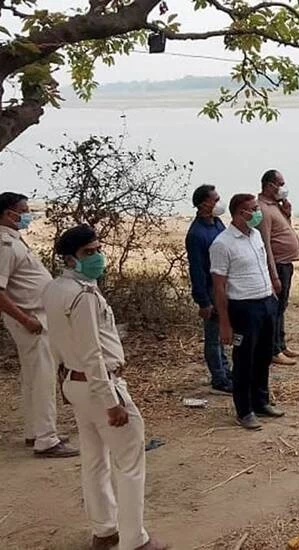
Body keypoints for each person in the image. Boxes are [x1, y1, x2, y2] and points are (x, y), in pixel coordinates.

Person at [43, 224, 167, 550]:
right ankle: (134, 540)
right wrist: (112, 401)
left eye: (98, 250)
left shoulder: (55, 289)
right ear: (70, 259)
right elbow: (92, 353)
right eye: (88, 252)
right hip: (100, 385)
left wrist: (66, 380)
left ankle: (104, 530)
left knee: (95, 459)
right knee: (129, 462)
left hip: (75, 382)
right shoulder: (82, 296)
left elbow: (57, 341)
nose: (97, 257)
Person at [0, 192, 78, 458]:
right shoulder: (5, 245)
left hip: (36, 316)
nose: (27, 215)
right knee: (43, 377)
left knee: (34, 376)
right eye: (23, 210)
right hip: (30, 318)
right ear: (9, 213)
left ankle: (35, 431)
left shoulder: (13, 240)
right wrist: (25, 319)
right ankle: (47, 439)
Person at [210, 194, 284, 430]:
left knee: (263, 356)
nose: (258, 212)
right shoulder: (222, 244)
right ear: (241, 213)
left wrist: (271, 290)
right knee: (244, 360)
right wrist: (224, 323)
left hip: (265, 302)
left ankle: (261, 401)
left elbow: (262, 265)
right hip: (243, 308)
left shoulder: (256, 236)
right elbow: (219, 286)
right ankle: (244, 410)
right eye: (254, 209)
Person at [185, 184, 231, 394]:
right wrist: (203, 301)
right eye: (216, 200)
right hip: (211, 289)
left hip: (225, 285)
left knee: (223, 333)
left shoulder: (217, 223)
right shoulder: (196, 234)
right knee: (213, 336)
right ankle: (219, 378)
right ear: (204, 204)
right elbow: (196, 269)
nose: (219, 203)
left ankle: (226, 371)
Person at [257, 169, 299, 367]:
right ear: (270, 186)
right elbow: (265, 243)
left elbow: (285, 229)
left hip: (286, 263)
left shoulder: (275, 206)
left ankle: (281, 344)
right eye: (281, 184)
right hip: (277, 264)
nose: (283, 188)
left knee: (281, 307)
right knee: (274, 309)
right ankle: (273, 350)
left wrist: (287, 213)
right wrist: (273, 274)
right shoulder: (262, 209)